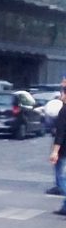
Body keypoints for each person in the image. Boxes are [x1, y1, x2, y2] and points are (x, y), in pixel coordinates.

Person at [49, 86, 66, 216]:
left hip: (64, 149)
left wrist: (55, 151)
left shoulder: (64, 110)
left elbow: (60, 133)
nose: (61, 96)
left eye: (62, 94)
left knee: (61, 178)